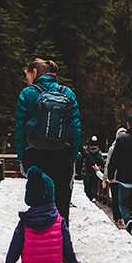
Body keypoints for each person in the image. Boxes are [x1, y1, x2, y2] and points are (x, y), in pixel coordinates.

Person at [14, 58, 82, 223]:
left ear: (35, 73)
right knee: (62, 201)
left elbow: (20, 129)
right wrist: (73, 156)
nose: (27, 79)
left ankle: (39, 239)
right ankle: (61, 240)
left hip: (35, 154)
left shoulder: (28, 93)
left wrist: (21, 157)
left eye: (28, 75)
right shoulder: (67, 93)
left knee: (37, 199)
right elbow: (76, 128)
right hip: (62, 154)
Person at [106, 114, 132, 238]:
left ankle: (128, 221)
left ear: (128, 124)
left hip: (124, 179)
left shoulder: (121, 139)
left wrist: (111, 175)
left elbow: (114, 160)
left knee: (122, 203)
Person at [103, 127, 127, 227]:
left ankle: (123, 218)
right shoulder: (113, 148)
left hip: (123, 177)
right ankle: (118, 218)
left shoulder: (127, 147)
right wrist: (105, 177)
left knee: (122, 199)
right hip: (114, 178)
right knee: (116, 199)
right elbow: (108, 163)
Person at [82, 136, 104, 201]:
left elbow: (101, 161)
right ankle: (92, 196)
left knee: (91, 185)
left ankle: (92, 196)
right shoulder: (90, 154)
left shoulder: (92, 153)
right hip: (91, 170)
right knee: (90, 185)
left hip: (92, 171)